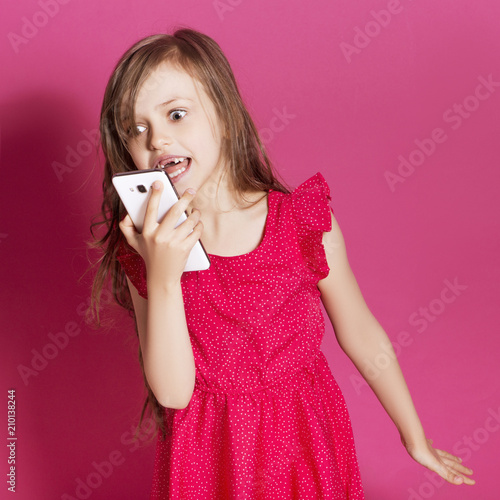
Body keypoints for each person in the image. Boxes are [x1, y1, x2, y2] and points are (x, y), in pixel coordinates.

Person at [89, 28, 475, 499]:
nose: (158, 139)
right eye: (137, 128)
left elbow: (360, 332)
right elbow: (173, 394)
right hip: (209, 458)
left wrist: (414, 437)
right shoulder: (146, 247)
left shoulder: (302, 223)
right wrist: (164, 275)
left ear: (226, 116)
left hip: (305, 441)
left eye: (176, 114)